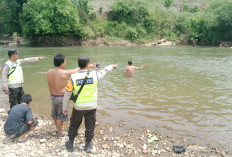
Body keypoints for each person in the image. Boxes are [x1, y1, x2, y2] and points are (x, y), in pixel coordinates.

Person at [63, 56, 117, 153]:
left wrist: (65, 108)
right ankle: (88, 145)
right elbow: (104, 71)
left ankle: (70, 143)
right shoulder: (95, 75)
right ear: (88, 65)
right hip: (91, 107)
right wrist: (112, 66)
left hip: (78, 107)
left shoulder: (73, 77)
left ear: (79, 65)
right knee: (90, 126)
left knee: (74, 124)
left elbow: (67, 95)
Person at [47, 54, 80, 138]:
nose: (65, 63)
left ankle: (58, 129)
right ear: (61, 63)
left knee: (55, 114)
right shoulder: (64, 72)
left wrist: (51, 94)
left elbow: (49, 85)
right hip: (62, 97)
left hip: (53, 96)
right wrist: (88, 65)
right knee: (61, 116)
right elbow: (77, 70)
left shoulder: (49, 72)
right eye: (65, 61)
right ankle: (60, 133)